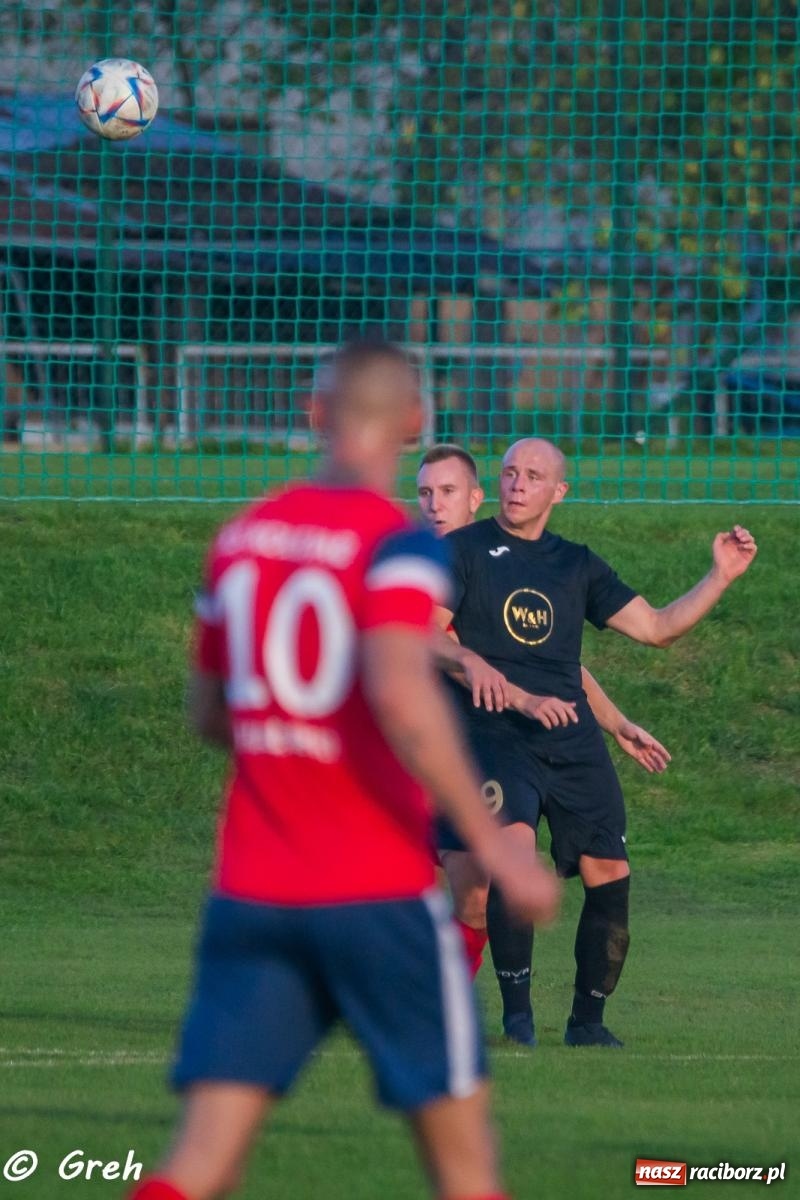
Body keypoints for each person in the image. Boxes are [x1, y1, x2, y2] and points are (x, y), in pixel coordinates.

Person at [127, 343, 560, 1200]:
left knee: (196, 1166)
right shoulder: (394, 545)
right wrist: (496, 846)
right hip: (375, 893)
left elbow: (211, 713)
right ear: (414, 425)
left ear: (313, 413)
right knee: (467, 1172)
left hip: (252, 892)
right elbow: (402, 690)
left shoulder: (241, 539)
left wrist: (291, 736)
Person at [433, 437, 756, 1049]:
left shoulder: (576, 563)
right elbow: (426, 633)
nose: (517, 484)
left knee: (610, 868)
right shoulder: (463, 550)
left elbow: (657, 628)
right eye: (508, 473)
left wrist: (720, 577)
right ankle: (519, 1017)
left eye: (533, 475)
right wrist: (472, 663)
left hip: (571, 736)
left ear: (560, 491)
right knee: (514, 853)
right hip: (495, 732)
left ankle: (587, 1022)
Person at [416, 444, 671, 1013]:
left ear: (475, 500)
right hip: (418, 751)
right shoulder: (433, 572)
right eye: (425, 493)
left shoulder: (472, 565)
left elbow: (557, 666)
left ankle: (440, 1004)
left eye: (449, 492)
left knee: (476, 895)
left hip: (463, 752)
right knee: (410, 888)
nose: (435, 505)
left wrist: (614, 721)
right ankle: (420, 1003)